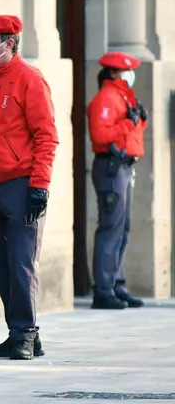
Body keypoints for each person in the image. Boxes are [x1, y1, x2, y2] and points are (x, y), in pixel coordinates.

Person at [0, 14, 59, 360]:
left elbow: (47, 136)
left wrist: (39, 185)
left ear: (10, 42)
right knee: (2, 264)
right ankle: (20, 331)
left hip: (22, 185)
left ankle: (25, 333)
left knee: (21, 263)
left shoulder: (30, 79)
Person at [87, 51, 147, 310]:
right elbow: (100, 135)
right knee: (111, 228)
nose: (129, 75)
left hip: (124, 166)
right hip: (111, 168)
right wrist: (127, 123)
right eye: (126, 71)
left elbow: (129, 135)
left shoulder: (122, 96)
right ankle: (103, 289)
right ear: (114, 73)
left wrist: (139, 120)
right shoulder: (107, 98)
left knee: (122, 229)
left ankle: (116, 284)